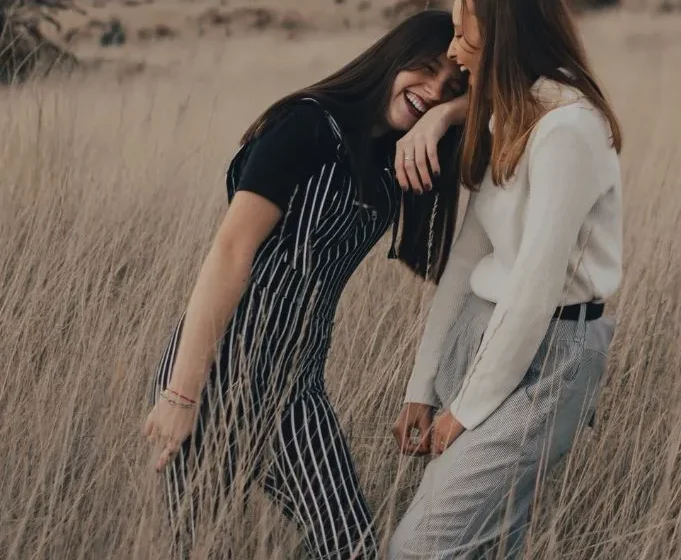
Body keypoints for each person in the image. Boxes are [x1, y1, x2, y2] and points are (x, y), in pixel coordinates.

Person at [141, 10, 468, 559]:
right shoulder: (309, 124)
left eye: (452, 86)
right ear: (393, 58)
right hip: (219, 373)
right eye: (426, 70)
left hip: (297, 386)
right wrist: (181, 393)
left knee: (351, 546)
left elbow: (514, 103)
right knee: (202, 547)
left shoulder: (398, 155)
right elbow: (229, 253)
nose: (432, 90)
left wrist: (446, 116)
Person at [390, 0, 624, 557]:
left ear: (503, 26)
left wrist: (466, 410)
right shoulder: (513, 115)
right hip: (481, 334)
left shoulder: (568, 128)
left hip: (547, 355)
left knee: (417, 548)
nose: (452, 49)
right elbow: (469, 259)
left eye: (462, 30)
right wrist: (422, 385)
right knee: (484, 546)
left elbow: (535, 288)